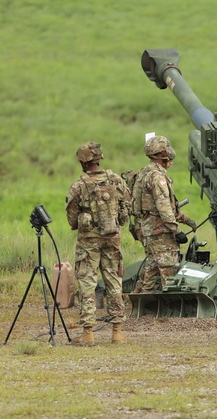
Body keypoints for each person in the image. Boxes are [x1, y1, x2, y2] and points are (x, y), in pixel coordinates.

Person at [65, 141, 132, 345]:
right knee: (114, 281)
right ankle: (117, 332)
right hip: (113, 238)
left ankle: (88, 334)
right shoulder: (116, 180)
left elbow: (72, 219)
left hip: (89, 242)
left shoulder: (78, 186)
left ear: (83, 163)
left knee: (87, 282)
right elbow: (127, 206)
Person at [131, 135, 196, 294]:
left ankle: (144, 304)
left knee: (152, 269)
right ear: (162, 154)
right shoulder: (157, 176)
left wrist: (186, 220)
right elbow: (164, 207)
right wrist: (177, 230)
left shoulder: (144, 172)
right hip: (160, 231)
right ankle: (170, 308)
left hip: (149, 229)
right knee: (169, 270)